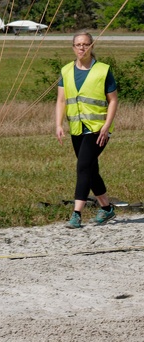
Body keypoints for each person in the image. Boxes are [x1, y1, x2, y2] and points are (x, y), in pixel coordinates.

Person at [55, 31, 118, 229]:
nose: (82, 48)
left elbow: (113, 100)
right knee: (91, 169)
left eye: (85, 44)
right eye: (78, 44)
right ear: (73, 47)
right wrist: (58, 124)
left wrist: (107, 126)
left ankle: (76, 214)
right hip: (77, 128)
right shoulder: (66, 70)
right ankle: (107, 208)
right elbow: (61, 100)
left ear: (91, 46)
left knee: (83, 166)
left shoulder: (103, 70)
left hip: (98, 129)